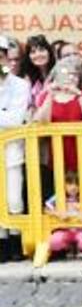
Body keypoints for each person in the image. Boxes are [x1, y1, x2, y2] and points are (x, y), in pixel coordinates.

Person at [0, 37, 30, 261]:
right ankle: (2, 242)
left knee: (14, 199)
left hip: (12, 149)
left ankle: (16, 238)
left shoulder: (20, 84)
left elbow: (17, 117)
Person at [44, 168, 82, 259]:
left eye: (77, 184)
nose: (73, 187)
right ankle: (68, 248)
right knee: (54, 241)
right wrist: (57, 213)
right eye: (70, 184)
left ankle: (81, 249)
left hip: (81, 230)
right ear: (64, 185)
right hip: (64, 230)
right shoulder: (59, 196)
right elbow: (46, 209)